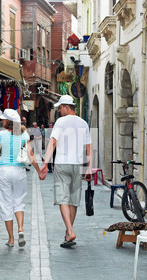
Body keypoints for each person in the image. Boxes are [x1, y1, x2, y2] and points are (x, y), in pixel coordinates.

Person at [40, 95, 92, 248]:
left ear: (67, 107)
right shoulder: (83, 123)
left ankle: (70, 230)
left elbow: (53, 143)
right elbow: (89, 148)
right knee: (74, 200)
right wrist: (89, 167)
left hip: (62, 164)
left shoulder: (60, 122)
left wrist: (45, 163)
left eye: (61, 107)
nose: (59, 110)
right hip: (77, 165)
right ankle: (68, 233)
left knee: (63, 199)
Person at [0, 109, 43, 248]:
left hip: (4, 171)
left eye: (3, 119)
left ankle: (11, 239)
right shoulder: (24, 135)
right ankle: (20, 228)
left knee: (6, 203)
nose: (1, 121)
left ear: (7, 121)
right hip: (19, 171)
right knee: (18, 201)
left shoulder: (0, 135)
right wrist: (39, 171)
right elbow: (31, 155)